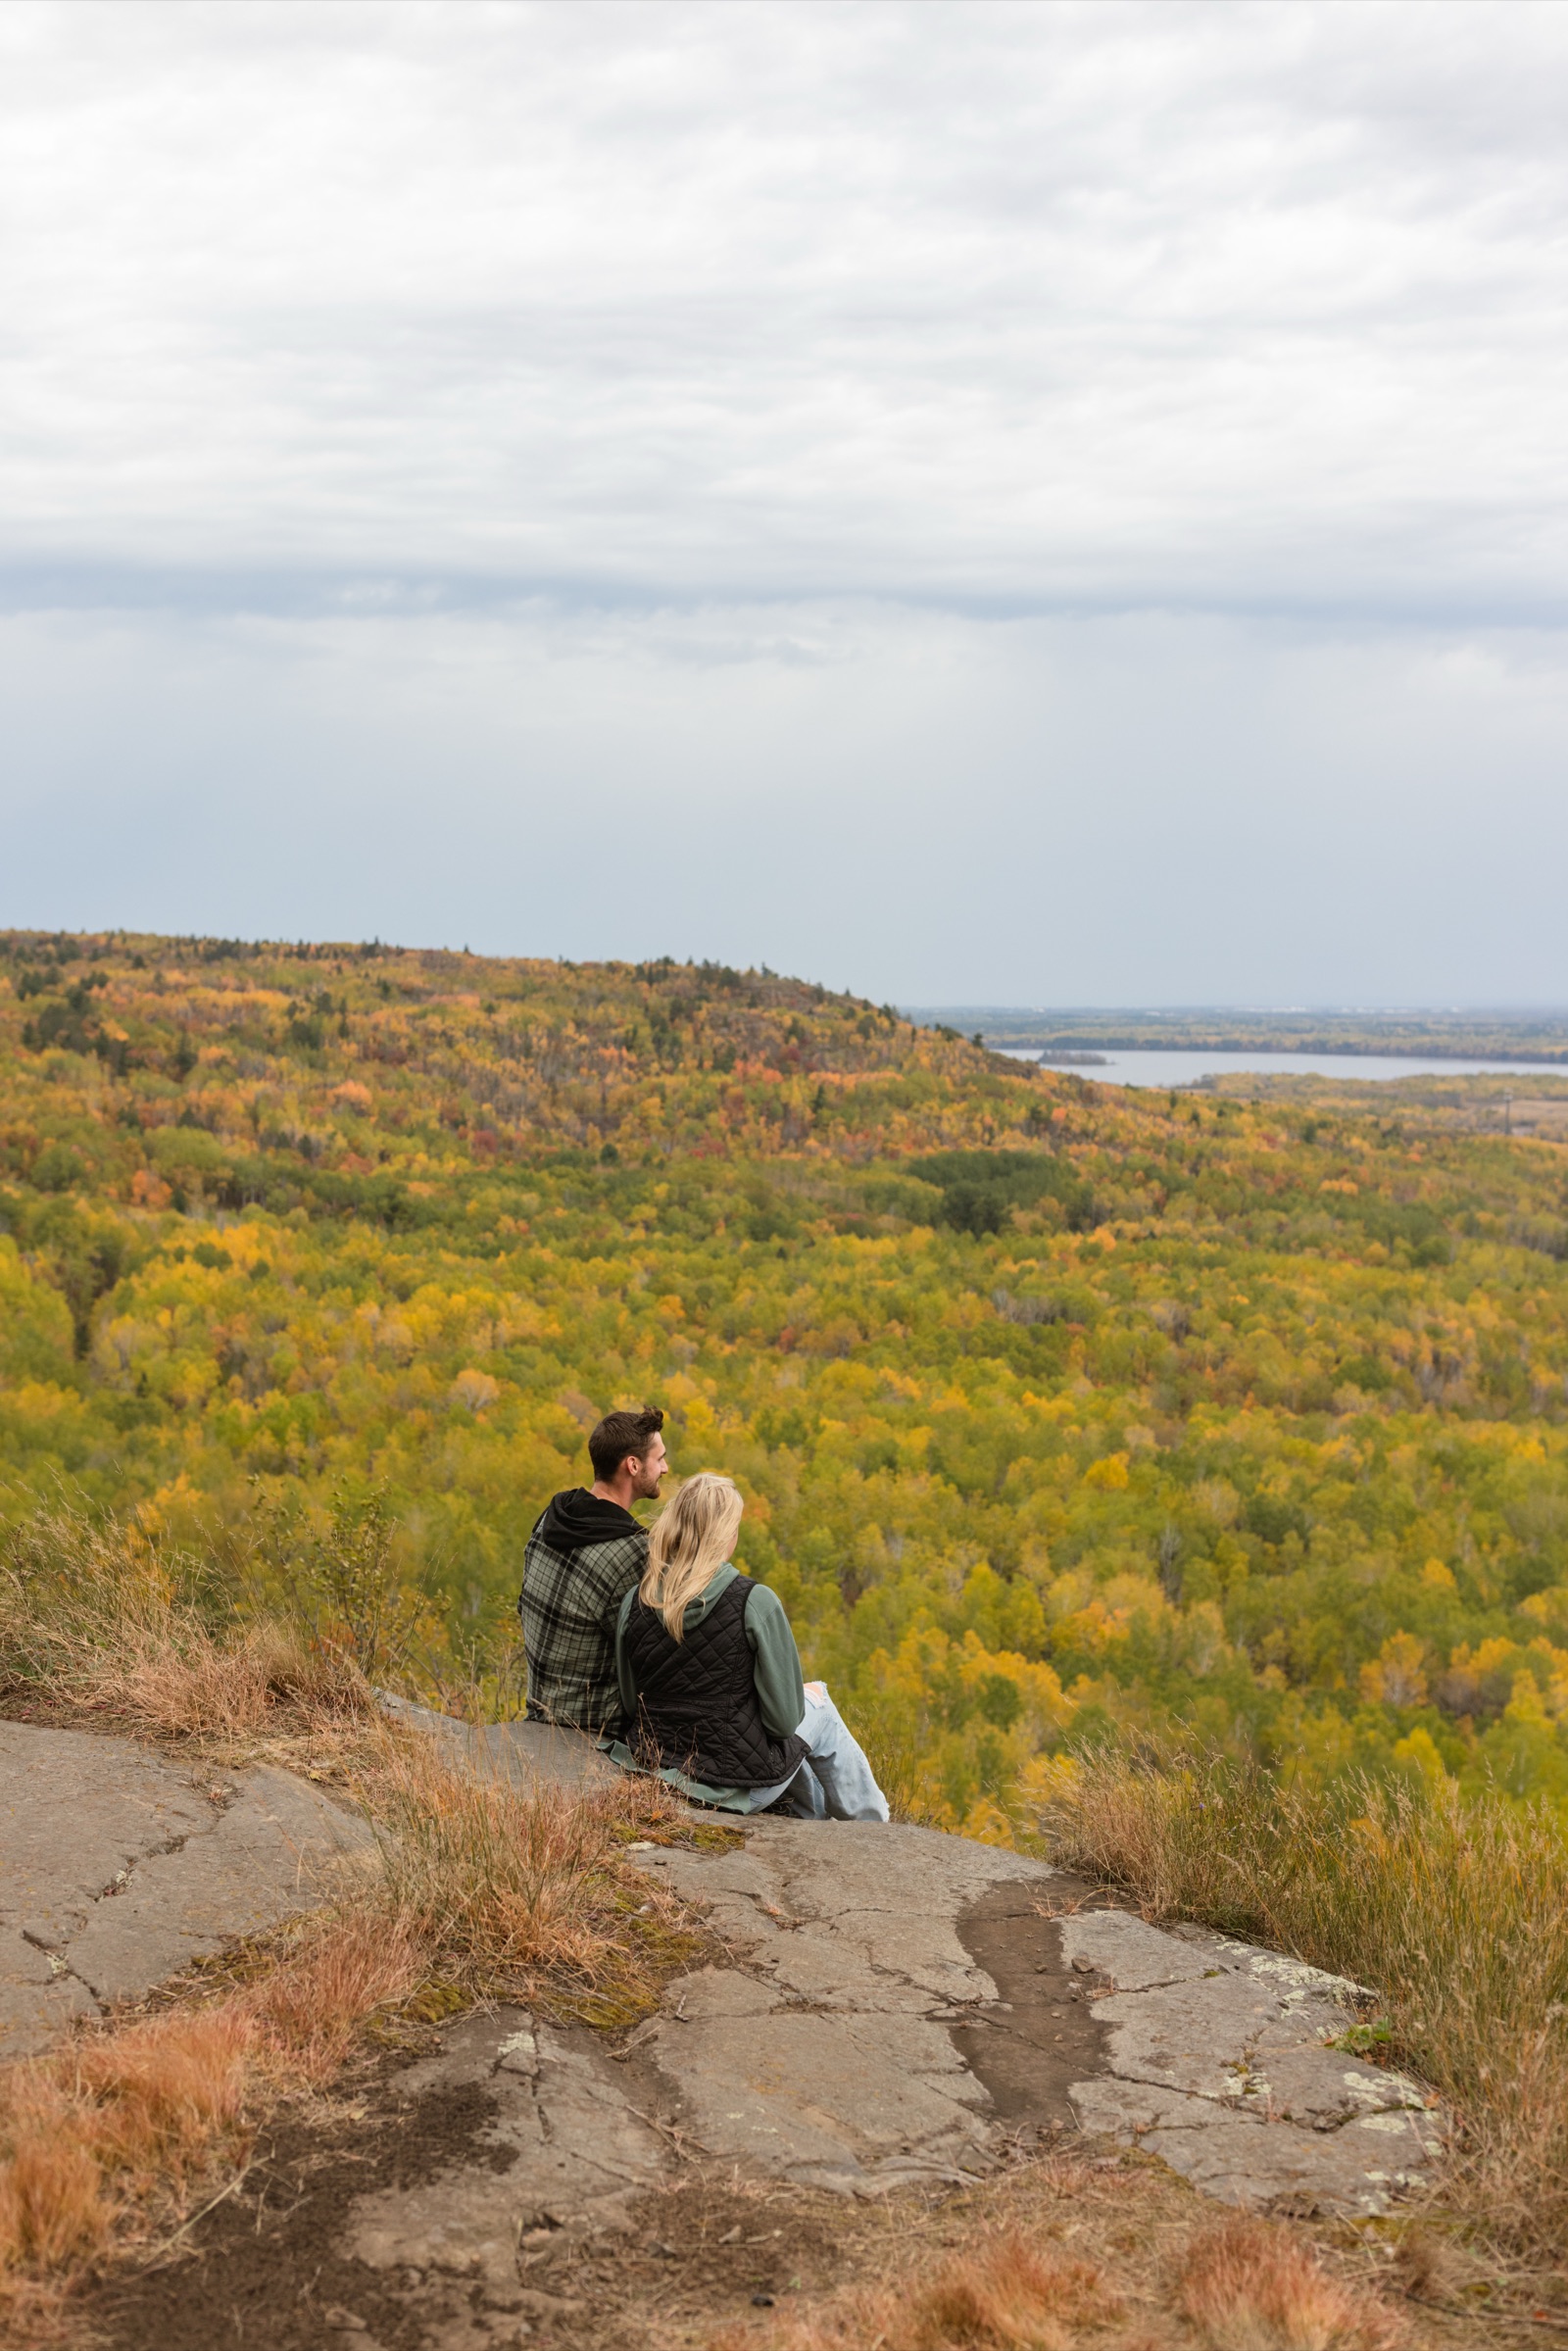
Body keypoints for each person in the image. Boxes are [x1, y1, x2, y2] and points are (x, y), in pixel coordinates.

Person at [609, 1471, 889, 1821]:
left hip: (657, 1769)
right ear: (726, 1534)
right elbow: (784, 1724)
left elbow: (631, 1700)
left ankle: (814, 1820)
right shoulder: (755, 1602)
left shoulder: (636, 1601)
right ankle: (877, 1830)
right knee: (820, 1703)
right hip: (731, 1786)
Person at [518, 1406, 667, 1732]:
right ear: (633, 1465)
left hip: (539, 1709)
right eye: (659, 1459)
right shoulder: (631, 1552)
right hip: (591, 1730)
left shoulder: (553, 1516)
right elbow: (651, 1659)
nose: (665, 1468)